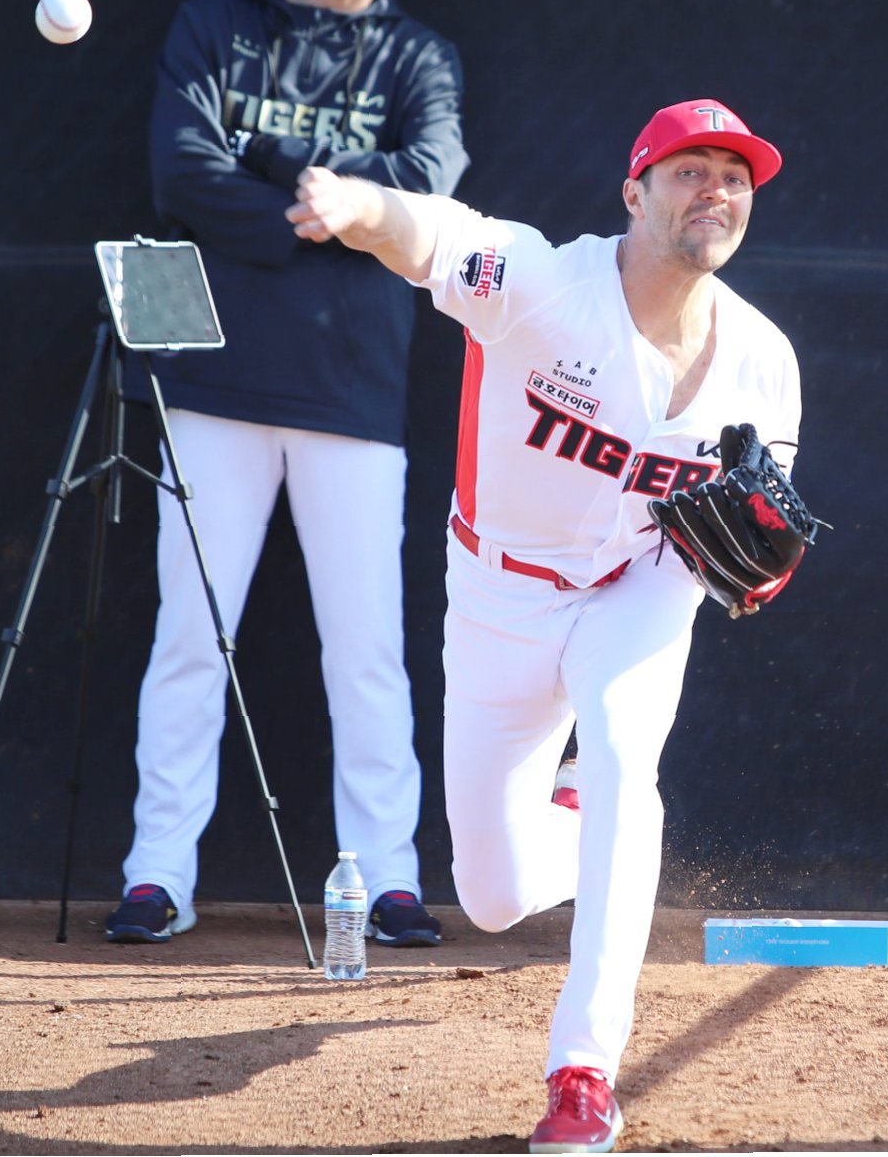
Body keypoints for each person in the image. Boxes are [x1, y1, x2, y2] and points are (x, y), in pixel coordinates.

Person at [283, 99, 803, 1153]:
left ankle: (582, 1070)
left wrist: (764, 559)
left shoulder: (763, 358)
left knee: (623, 756)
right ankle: (568, 811)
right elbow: (431, 236)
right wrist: (357, 206)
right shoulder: (543, 281)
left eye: (735, 176)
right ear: (633, 193)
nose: (716, 189)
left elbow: (765, 518)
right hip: (500, 592)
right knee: (492, 896)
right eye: (690, 170)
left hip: (638, 582)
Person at [105, 0, 468, 949]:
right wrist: (324, 216)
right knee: (188, 636)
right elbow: (180, 173)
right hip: (208, 375)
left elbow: (432, 181)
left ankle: (388, 879)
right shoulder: (217, 23)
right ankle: (157, 876)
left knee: (366, 650)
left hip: (353, 393)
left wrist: (330, 193)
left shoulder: (420, 59)